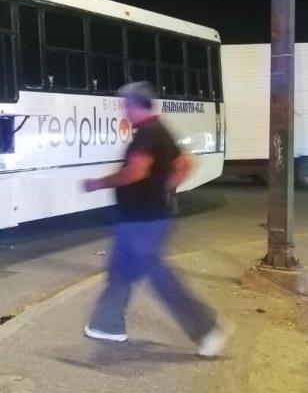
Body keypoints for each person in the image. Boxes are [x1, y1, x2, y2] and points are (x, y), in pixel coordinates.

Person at [81, 82, 230, 357]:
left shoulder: (148, 134)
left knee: (160, 278)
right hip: (143, 217)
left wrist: (98, 184)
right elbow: (185, 163)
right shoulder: (158, 130)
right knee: (119, 271)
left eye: (125, 106)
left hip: (143, 220)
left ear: (136, 106)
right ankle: (107, 325)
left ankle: (207, 329)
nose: (123, 112)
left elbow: (135, 172)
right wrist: (164, 187)